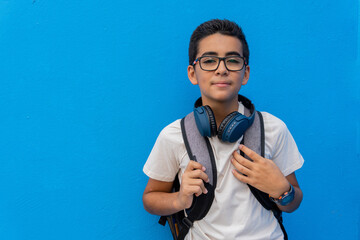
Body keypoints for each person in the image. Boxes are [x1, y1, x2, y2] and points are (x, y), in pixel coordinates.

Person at [142, 19, 304, 240]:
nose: (221, 69)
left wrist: (282, 190)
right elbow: (150, 199)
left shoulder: (273, 128)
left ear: (245, 73)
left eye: (232, 60)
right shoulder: (173, 135)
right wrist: (180, 199)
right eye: (209, 60)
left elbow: (293, 202)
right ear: (192, 73)